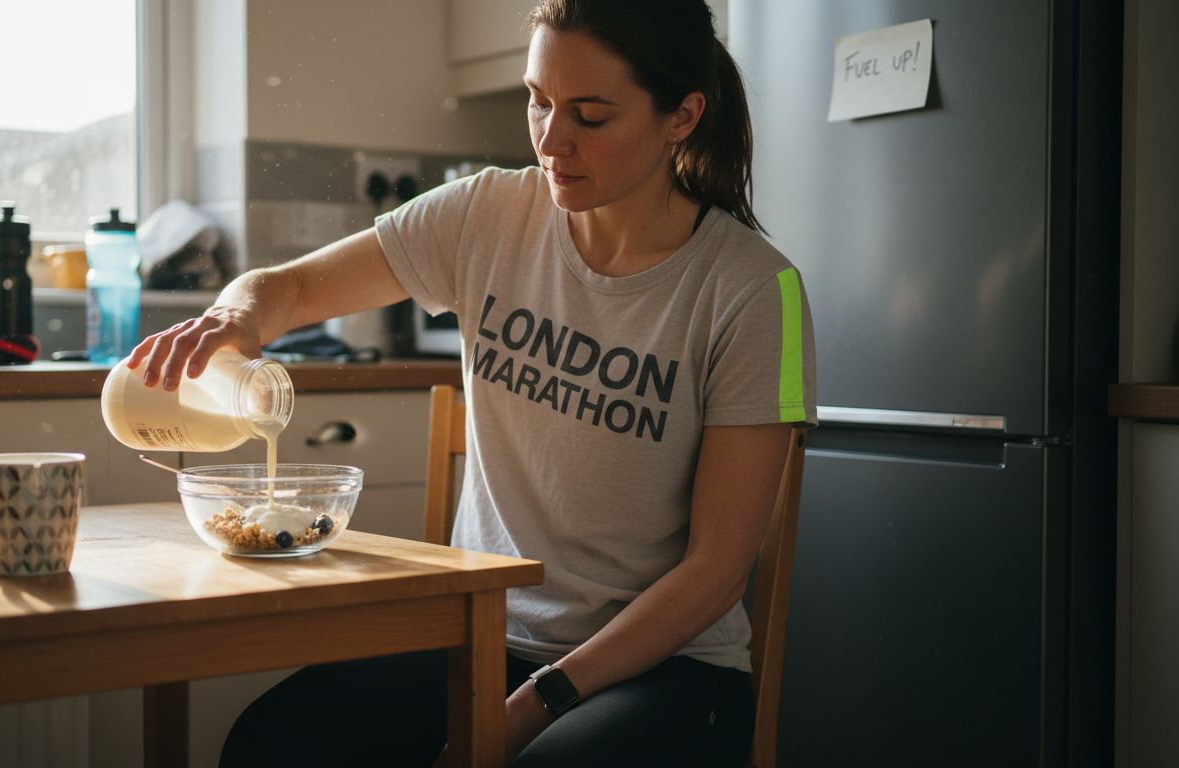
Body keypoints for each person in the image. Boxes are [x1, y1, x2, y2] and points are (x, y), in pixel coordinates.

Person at [131, 0, 816, 764]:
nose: (552, 141)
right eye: (539, 101)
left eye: (589, 116)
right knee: (270, 744)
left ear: (682, 116)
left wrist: (536, 702)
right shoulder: (488, 214)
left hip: (662, 670)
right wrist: (234, 321)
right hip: (485, 637)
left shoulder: (755, 291)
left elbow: (716, 573)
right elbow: (285, 289)